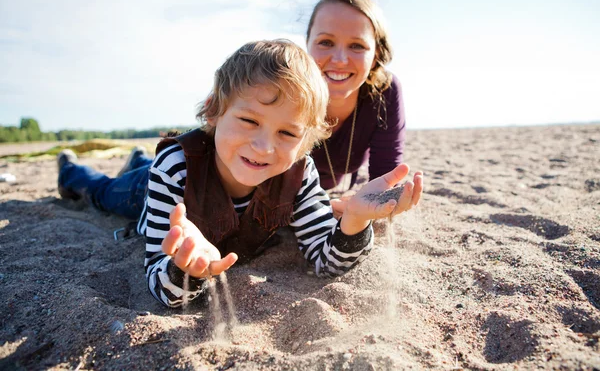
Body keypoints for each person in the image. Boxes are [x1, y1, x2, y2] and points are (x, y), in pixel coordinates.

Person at [57, 39, 423, 308]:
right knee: (104, 192)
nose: (264, 147)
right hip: (148, 189)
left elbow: (325, 260)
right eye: (249, 121)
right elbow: (159, 280)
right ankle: (72, 169)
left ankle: (135, 160)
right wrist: (186, 270)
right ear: (214, 112)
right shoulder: (175, 167)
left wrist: (355, 221)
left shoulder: (298, 173)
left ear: (307, 140)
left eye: (288, 133)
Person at [306, 0, 406, 195]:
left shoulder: (384, 92)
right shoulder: (284, 88)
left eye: (357, 46)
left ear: (376, 54)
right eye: (326, 42)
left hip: (336, 187)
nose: (340, 60)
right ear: (307, 44)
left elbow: (385, 176)